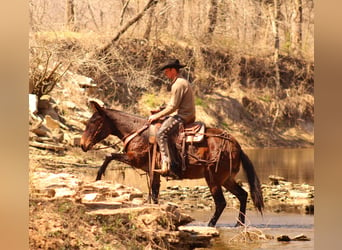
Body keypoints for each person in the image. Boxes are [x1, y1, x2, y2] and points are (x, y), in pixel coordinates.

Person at [148, 59, 196, 177]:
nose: (165, 74)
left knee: (161, 133)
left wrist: (157, 115)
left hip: (184, 116)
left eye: (167, 71)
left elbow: (173, 107)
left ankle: (167, 164)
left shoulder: (178, 84)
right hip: (185, 113)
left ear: (174, 70)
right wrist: (162, 109)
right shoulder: (180, 82)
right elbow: (173, 104)